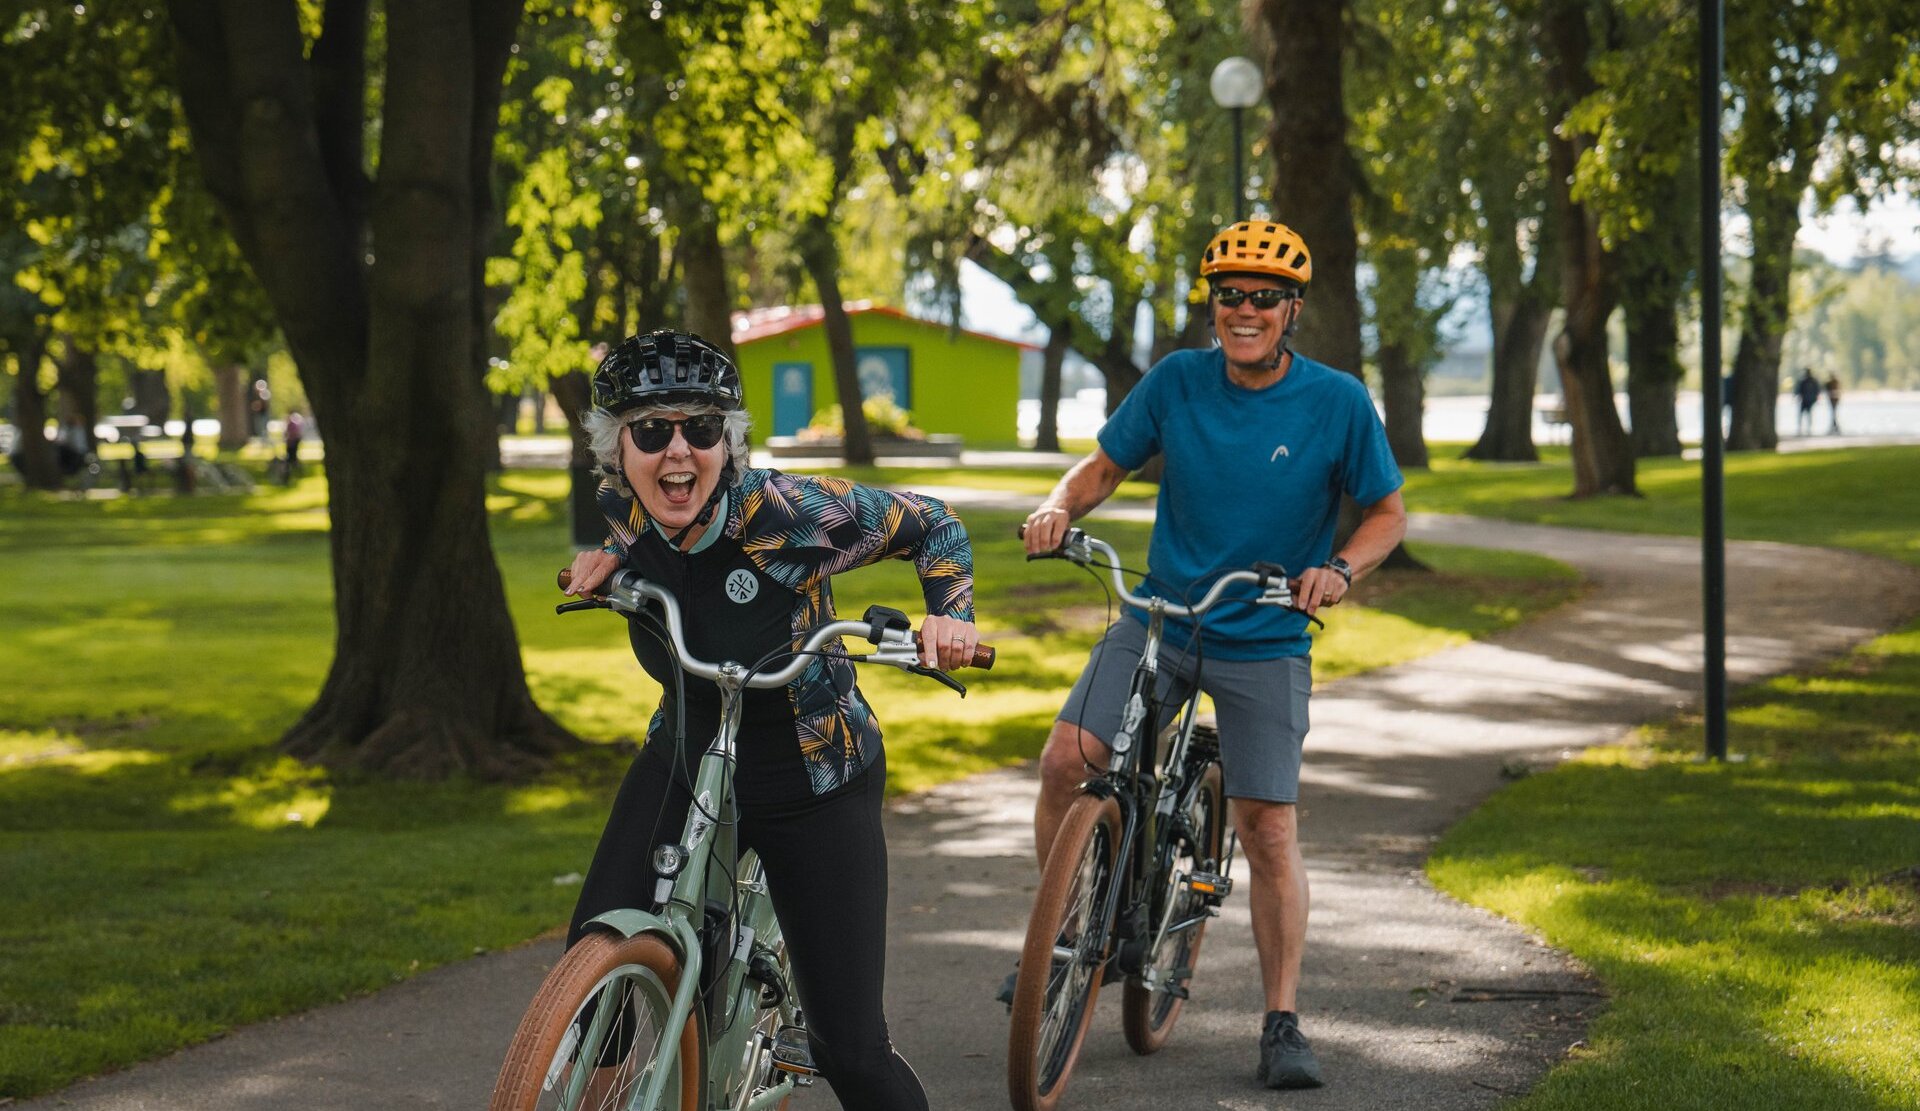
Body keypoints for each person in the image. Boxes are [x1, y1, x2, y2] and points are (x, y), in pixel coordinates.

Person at [1018, 219, 1407, 1091]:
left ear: (1291, 310)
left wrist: (1339, 568)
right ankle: (1066, 937)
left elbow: (1387, 512)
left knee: (1266, 826)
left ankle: (1281, 1020)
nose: (1245, 310)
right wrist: (1058, 507)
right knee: (1065, 759)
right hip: (1160, 617)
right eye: (1230, 294)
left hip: (1264, 634)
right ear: (1213, 304)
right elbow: (1102, 467)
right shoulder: (1178, 382)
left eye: (1264, 297)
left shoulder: (1336, 401)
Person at [559, 330, 978, 1111]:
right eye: (652, 431)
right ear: (618, 448)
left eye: (702, 429)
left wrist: (948, 616)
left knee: (849, 1052)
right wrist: (610, 556)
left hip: (812, 776)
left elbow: (936, 524)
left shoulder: (786, 514)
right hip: (687, 753)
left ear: (729, 441)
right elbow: (636, 530)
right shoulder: (622, 500)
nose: (677, 453)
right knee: (589, 990)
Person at [1794, 369, 1821, 435]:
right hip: (1808, 400)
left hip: (1807, 400)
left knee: (1804, 415)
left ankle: (1805, 429)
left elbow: (1817, 390)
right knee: (1807, 415)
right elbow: (1817, 390)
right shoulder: (1809, 381)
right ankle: (1805, 429)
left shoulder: (1806, 381)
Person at [282, 410, 305, 483]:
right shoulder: (292, 424)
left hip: (292, 444)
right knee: (292, 459)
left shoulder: (292, 424)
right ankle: (295, 472)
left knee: (291, 459)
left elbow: (290, 435)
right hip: (291, 444)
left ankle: (293, 473)